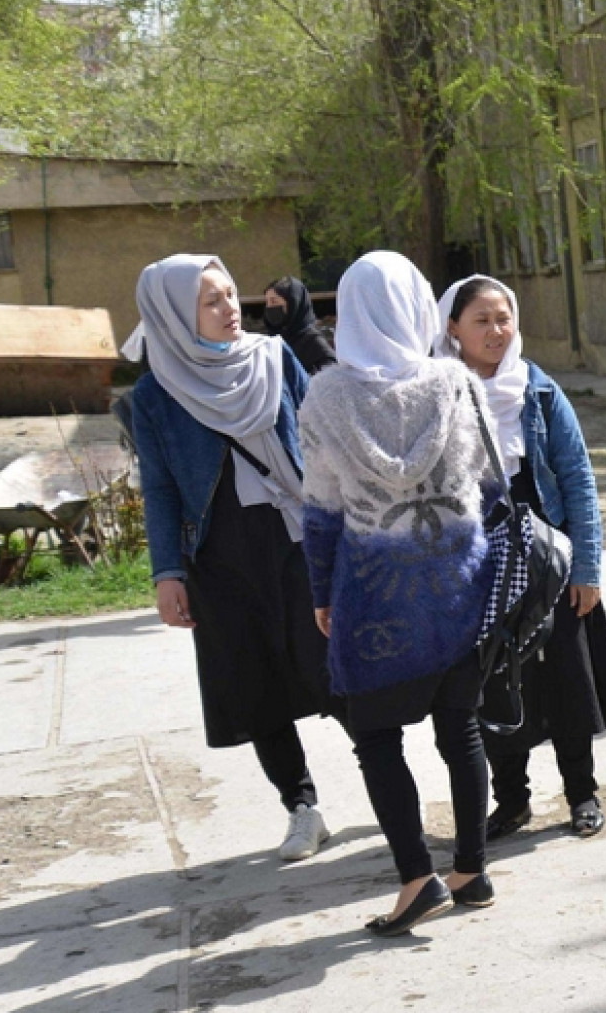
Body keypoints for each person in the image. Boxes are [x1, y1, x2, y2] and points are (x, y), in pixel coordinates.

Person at [299, 250, 498, 937]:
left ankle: (418, 877)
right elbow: (488, 475)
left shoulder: (325, 397)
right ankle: (471, 868)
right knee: (460, 724)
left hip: (375, 591)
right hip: (459, 583)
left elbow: (321, 509)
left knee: (377, 736)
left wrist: (321, 590)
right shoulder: (456, 383)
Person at [134, 254, 335, 863]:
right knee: (256, 686)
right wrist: (168, 571)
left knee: (335, 666)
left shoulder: (274, 358)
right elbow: (161, 487)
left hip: (296, 538)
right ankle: (302, 809)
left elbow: (323, 442)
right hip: (218, 553)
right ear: (174, 315)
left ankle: (387, 788)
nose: (231, 311)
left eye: (229, 294)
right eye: (212, 301)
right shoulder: (157, 392)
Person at [432, 276, 606, 842]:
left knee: (568, 675)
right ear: (453, 328)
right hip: (477, 560)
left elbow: (578, 479)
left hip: (549, 554)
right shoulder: (436, 395)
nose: (497, 331)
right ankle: (512, 801)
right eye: (481, 320)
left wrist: (587, 568)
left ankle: (582, 794)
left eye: (504, 318)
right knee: (490, 678)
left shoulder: (539, 390)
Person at [261, 277, 337, 374]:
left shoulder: (314, 344)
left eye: (274, 301)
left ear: (293, 304)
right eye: (267, 302)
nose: (269, 307)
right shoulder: (269, 341)